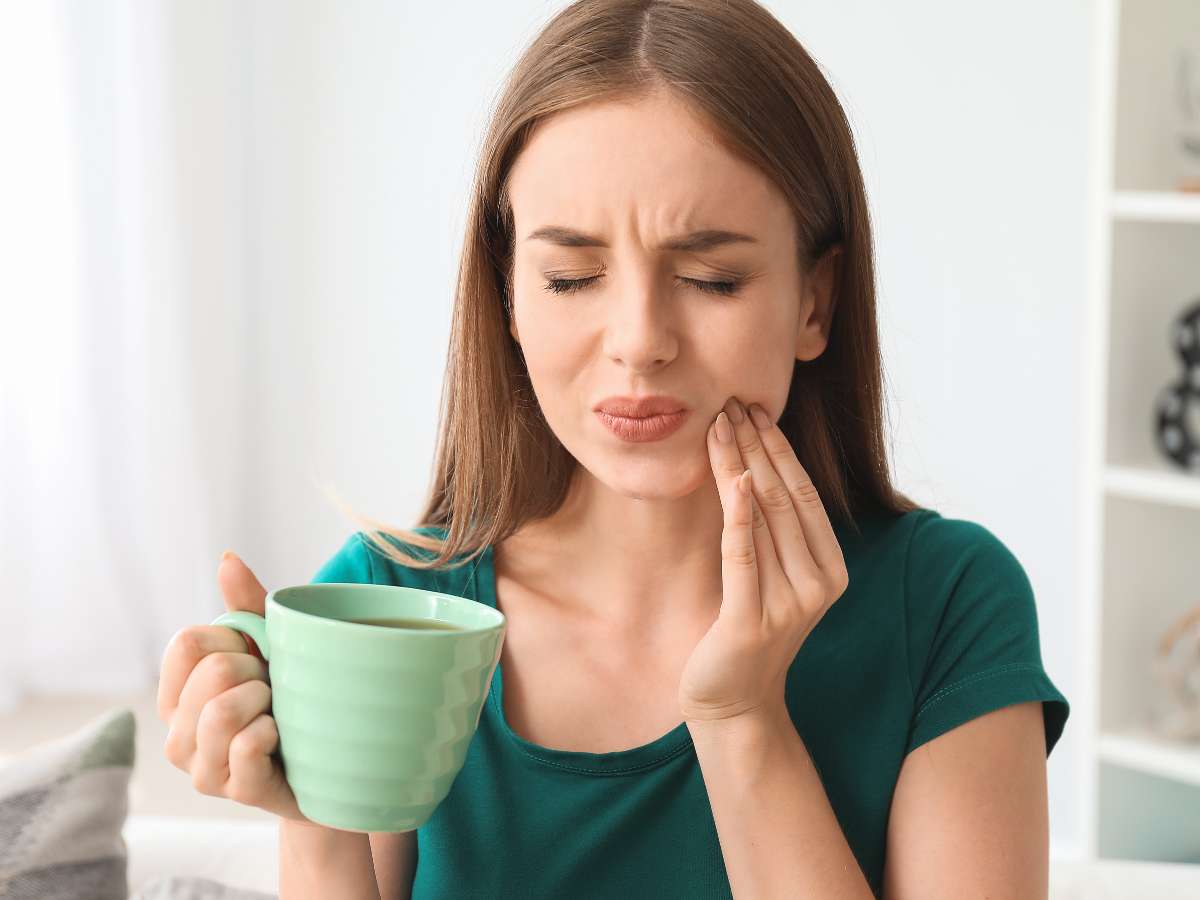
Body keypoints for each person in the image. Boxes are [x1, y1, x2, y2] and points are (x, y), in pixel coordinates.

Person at [158, 1, 1071, 897]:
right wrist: (314, 820)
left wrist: (743, 721)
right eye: (571, 277)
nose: (639, 340)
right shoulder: (396, 607)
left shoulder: (948, 606)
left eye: (712, 278)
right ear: (510, 298)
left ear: (814, 303)